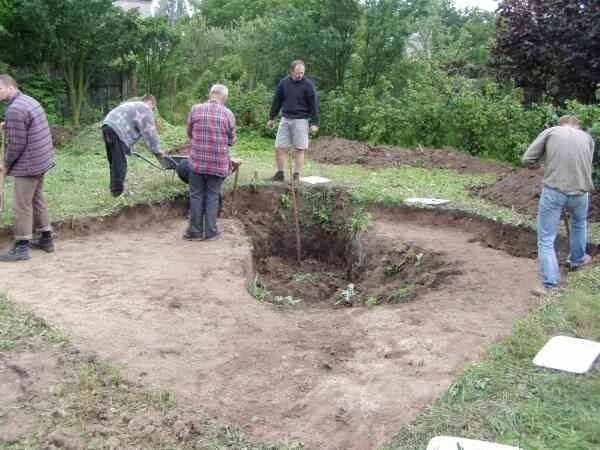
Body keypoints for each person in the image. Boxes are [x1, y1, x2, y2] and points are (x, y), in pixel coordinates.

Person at [522, 115, 595, 290]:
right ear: (577, 126)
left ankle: (551, 281)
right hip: (581, 192)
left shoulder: (552, 132)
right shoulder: (587, 138)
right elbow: (586, 164)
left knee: (546, 237)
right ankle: (577, 259)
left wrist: (542, 168)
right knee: (579, 224)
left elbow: (527, 159)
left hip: (554, 191)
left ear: (561, 124)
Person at [0, 74, 55, 261]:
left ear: (10, 87)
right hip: (42, 159)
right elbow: (25, 124)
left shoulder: (14, 109)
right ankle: (46, 238)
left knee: (21, 203)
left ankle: (21, 247)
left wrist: (5, 165)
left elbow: (16, 144)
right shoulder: (28, 100)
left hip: (29, 163)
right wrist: (8, 126)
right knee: (37, 198)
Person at [183, 84, 236, 241]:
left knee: (196, 195)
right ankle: (211, 233)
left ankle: (194, 232)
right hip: (218, 163)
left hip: (197, 161)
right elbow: (232, 140)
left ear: (210, 94)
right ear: (224, 97)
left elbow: (189, 132)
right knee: (213, 195)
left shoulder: (195, 109)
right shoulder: (228, 114)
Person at [101, 94, 165, 197]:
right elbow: (150, 132)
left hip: (107, 125)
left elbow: (129, 128)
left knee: (114, 161)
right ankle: (118, 192)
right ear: (151, 103)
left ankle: (114, 190)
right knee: (120, 163)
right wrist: (157, 151)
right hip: (116, 130)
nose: (152, 110)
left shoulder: (135, 106)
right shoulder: (145, 109)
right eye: (153, 107)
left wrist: (127, 148)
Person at [267, 59, 319, 182]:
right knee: (279, 147)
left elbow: (314, 105)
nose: (300, 75)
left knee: (300, 149)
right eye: (297, 73)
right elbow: (277, 101)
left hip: (301, 120)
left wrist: (315, 123)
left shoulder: (308, 85)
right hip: (285, 119)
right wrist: (271, 118)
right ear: (291, 71)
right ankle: (280, 174)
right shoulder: (283, 83)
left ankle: (296, 176)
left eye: (302, 73)